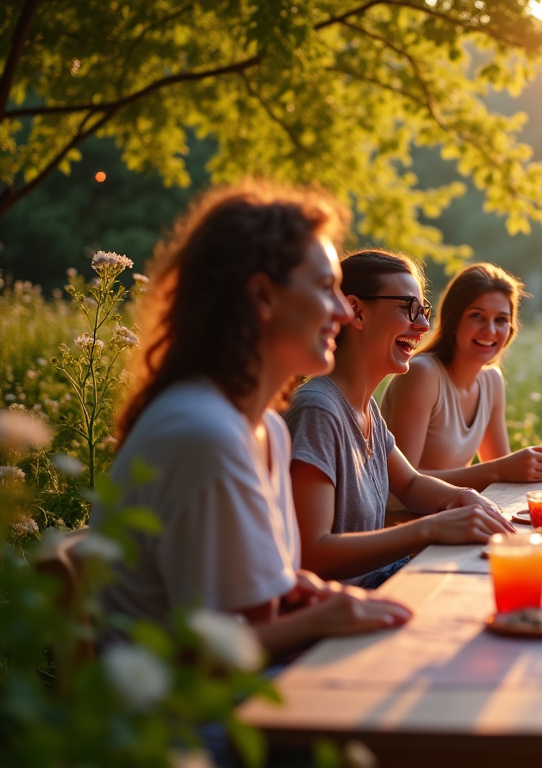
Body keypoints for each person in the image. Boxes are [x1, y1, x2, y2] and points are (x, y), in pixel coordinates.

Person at [94, 181, 411, 662]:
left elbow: (257, 594)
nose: (342, 311)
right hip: (180, 725)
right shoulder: (205, 433)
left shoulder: (267, 429)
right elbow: (200, 656)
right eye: (326, 289)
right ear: (262, 296)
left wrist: (303, 592)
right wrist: (326, 619)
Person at [286, 250, 516, 588]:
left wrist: (461, 496)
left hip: (380, 581)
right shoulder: (318, 410)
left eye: (422, 311)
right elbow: (312, 553)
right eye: (407, 308)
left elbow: (409, 484)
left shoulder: (366, 409)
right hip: (346, 607)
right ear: (356, 312)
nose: (423, 325)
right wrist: (432, 527)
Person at [381, 263, 542, 491]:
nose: (490, 330)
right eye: (477, 316)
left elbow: (503, 474)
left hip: (457, 514)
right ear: (453, 321)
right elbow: (400, 485)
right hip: (405, 520)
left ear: (510, 329)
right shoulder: (423, 374)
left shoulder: (492, 380)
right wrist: (499, 470)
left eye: (500, 320)